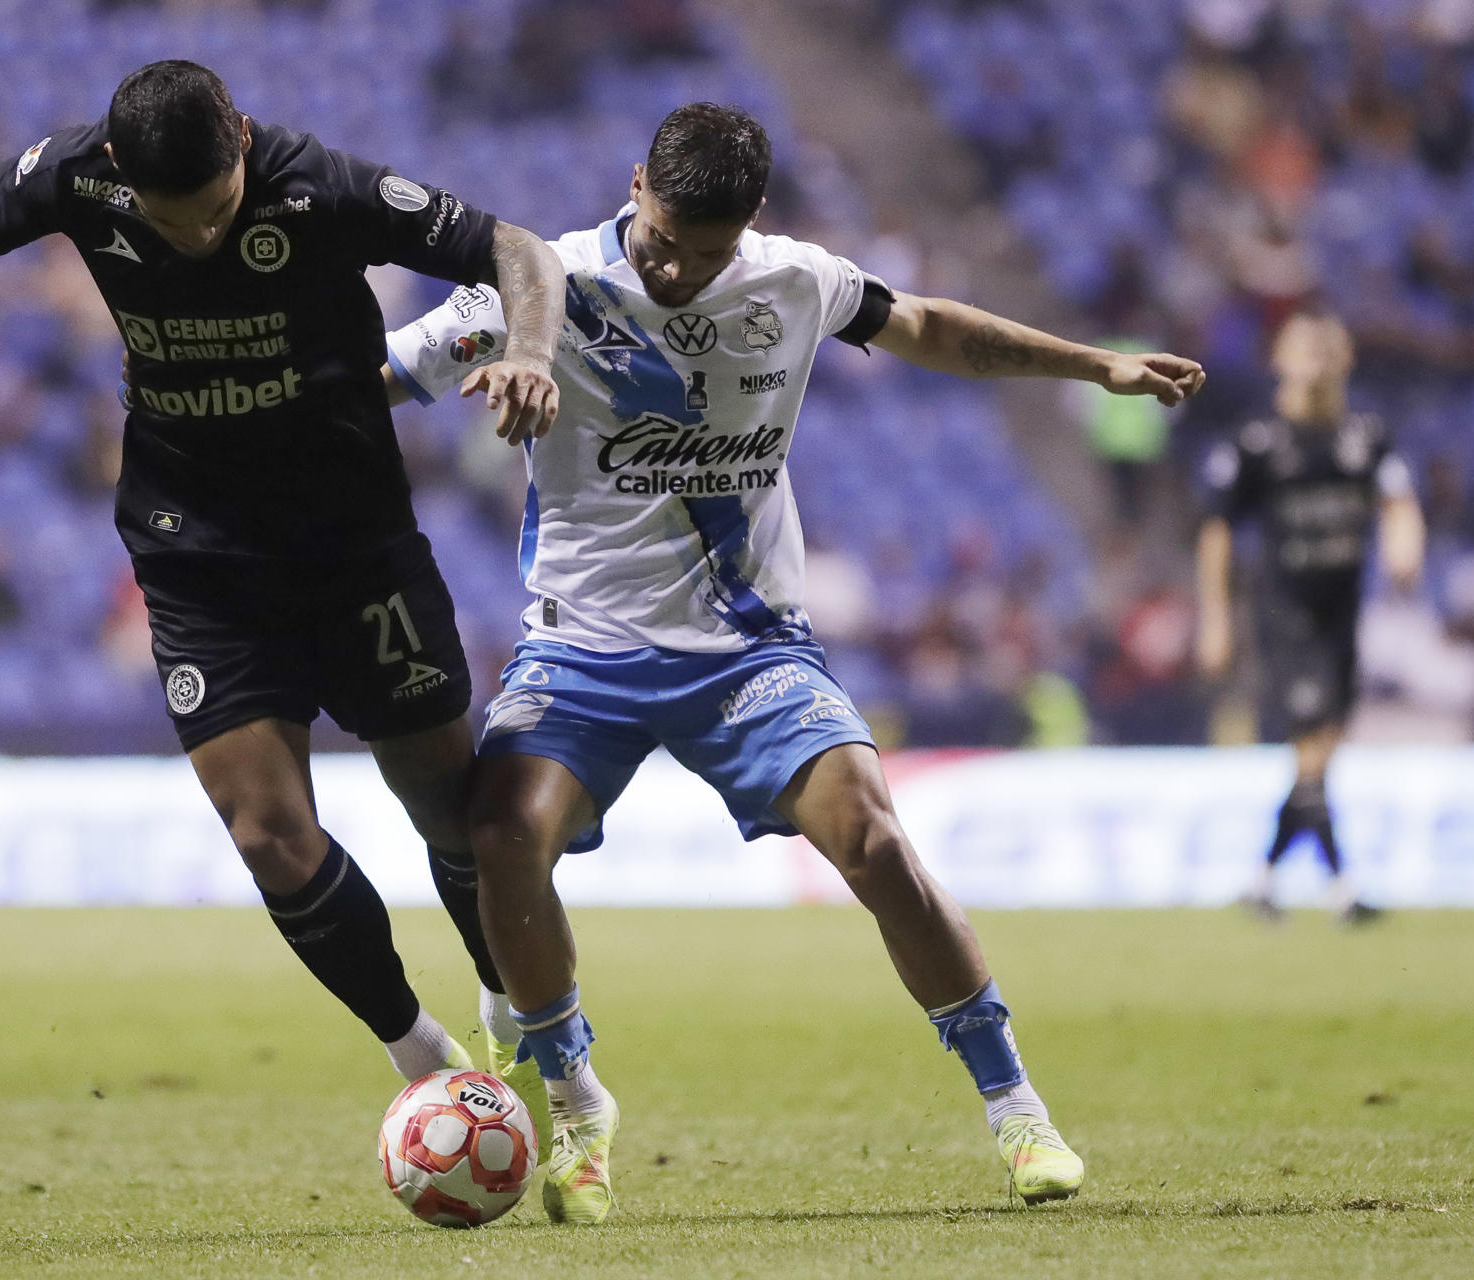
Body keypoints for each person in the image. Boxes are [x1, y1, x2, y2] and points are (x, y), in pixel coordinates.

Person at [384, 102, 1205, 1222]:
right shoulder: (544, 286)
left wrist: (1094, 366)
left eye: (705, 251)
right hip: (583, 648)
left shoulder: (795, 282)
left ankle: (1018, 1110)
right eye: (663, 239)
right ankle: (576, 1104)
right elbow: (385, 377)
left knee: (874, 838)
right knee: (500, 838)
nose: (677, 269)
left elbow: (929, 326)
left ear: (752, 222)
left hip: (748, 650)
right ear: (636, 184)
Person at [0, 62, 566, 1090]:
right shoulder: (76, 174)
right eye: (172, 219)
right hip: (197, 553)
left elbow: (517, 249)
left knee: (451, 816)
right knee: (267, 834)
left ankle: (515, 1014)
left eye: (217, 209)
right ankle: (423, 1059)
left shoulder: (321, 187)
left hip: (355, 544)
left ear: (240, 138)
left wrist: (534, 354)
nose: (198, 236)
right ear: (118, 169)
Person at [1196, 311, 1424, 924]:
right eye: (1306, 352)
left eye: (1328, 353)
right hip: (1285, 614)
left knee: (1319, 752)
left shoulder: (1366, 438)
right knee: (1313, 746)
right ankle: (1342, 884)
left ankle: (1265, 877)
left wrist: (1405, 547)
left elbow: (1399, 500)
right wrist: (1215, 619)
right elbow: (1217, 531)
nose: (1317, 365)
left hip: (1342, 615)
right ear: (1281, 361)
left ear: (1346, 362)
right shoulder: (1257, 442)